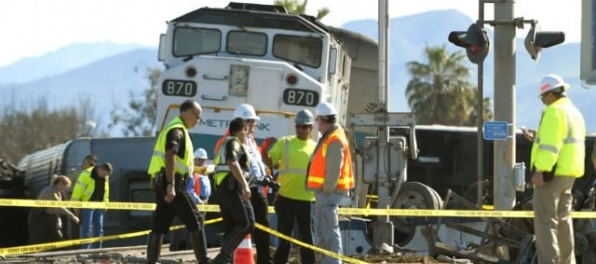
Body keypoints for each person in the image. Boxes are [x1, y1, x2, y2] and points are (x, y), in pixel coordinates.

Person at [525, 74, 586, 264]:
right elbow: (564, 142)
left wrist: (540, 170)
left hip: (551, 175)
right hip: (569, 174)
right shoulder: (574, 112)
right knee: (563, 222)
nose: (543, 101)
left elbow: (551, 145)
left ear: (551, 94)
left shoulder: (554, 111)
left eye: (543, 96)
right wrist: (537, 138)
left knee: (545, 224)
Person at [145, 99, 210, 264]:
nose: (198, 120)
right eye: (197, 116)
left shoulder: (176, 129)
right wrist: (171, 186)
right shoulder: (177, 131)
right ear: (188, 112)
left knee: (160, 223)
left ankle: (151, 261)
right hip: (174, 184)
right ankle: (204, 260)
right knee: (196, 220)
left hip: (165, 182)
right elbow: (170, 157)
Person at [306, 102, 354, 264]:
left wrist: (327, 189)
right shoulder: (332, 136)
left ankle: (333, 262)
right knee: (323, 229)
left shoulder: (334, 138)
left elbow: (335, 168)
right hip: (326, 192)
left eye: (317, 120)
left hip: (329, 192)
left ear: (322, 120)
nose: (317, 126)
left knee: (329, 230)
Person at [269, 110, 317, 264]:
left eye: (303, 127)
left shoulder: (316, 148)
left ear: (311, 128)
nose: (300, 129)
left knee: (308, 237)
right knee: (284, 236)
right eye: (298, 126)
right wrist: (264, 153)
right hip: (286, 197)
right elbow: (271, 161)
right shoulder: (285, 142)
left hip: (308, 199)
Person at [232, 104, 273, 264]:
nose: (254, 127)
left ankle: (265, 260)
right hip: (245, 190)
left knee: (263, 225)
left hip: (258, 190)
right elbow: (236, 166)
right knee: (243, 225)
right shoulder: (234, 141)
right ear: (244, 123)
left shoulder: (251, 141)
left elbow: (257, 164)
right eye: (253, 124)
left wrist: (265, 178)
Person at [211, 117, 255, 264]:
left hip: (222, 188)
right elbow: (232, 162)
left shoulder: (223, 143)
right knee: (247, 224)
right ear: (242, 129)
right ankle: (221, 259)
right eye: (246, 131)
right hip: (231, 188)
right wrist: (244, 185)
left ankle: (226, 260)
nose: (247, 135)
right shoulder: (234, 142)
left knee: (231, 227)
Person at [71, 162, 112, 249]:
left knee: (99, 228)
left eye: (107, 175)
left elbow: (106, 191)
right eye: (104, 174)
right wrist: (75, 205)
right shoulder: (86, 175)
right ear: (100, 169)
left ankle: (97, 250)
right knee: (87, 229)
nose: (105, 176)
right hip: (87, 204)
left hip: (99, 205)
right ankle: (85, 250)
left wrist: (106, 204)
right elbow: (77, 190)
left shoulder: (105, 176)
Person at [28, 175, 80, 244]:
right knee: (37, 238)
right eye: (65, 187)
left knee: (57, 238)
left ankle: (57, 254)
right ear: (60, 184)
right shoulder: (50, 191)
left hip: (50, 217)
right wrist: (73, 217)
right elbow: (59, 208)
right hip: (39, 217)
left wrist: (58, 221)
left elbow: (56, 210)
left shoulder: (58, 193)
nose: (65, 190)